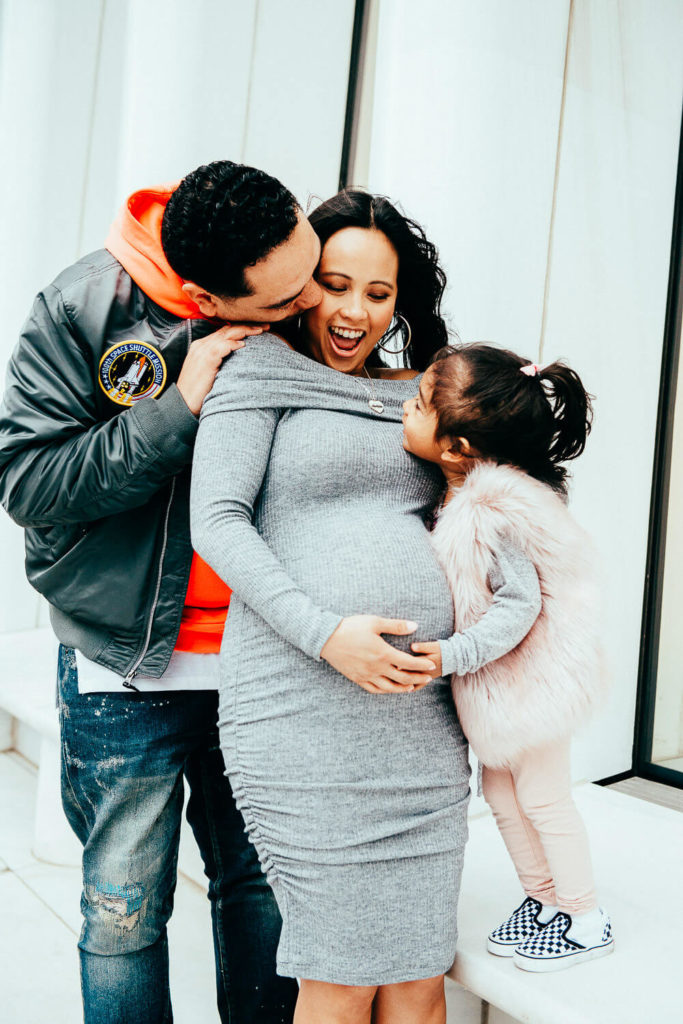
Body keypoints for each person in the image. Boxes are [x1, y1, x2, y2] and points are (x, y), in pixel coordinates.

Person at [0, 159, 324, 1023]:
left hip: (264, 661)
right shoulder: (80, 309)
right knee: (122, 914)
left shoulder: (296, 280)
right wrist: (175, 407)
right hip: (126, 668)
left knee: (261, 894)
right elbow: (30, 486)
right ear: (203, 300)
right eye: (282, 304)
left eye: (310, 271)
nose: (310, 308)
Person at [190, 190, 471, 1024]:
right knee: (338, 979)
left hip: (420, 728)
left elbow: (489, 507)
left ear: (400, 302)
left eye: (377, 294)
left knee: (420, 978)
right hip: (299, 711)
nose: (352, 311)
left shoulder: (430, 394)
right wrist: (325, 636)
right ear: (304, 283)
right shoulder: (258, 370)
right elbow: (218, 521)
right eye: (335, 285)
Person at [402, 343, 614, 972]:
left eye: (416, 406)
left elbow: (518, 607)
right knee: (501, 792)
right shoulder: (459, 496)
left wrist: (450, 654)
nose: (402, 413)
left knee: (544, 798)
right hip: (502, 690)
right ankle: (543, 899)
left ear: (457, 448)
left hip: (534, 685)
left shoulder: (494, 510)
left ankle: (585, 914)